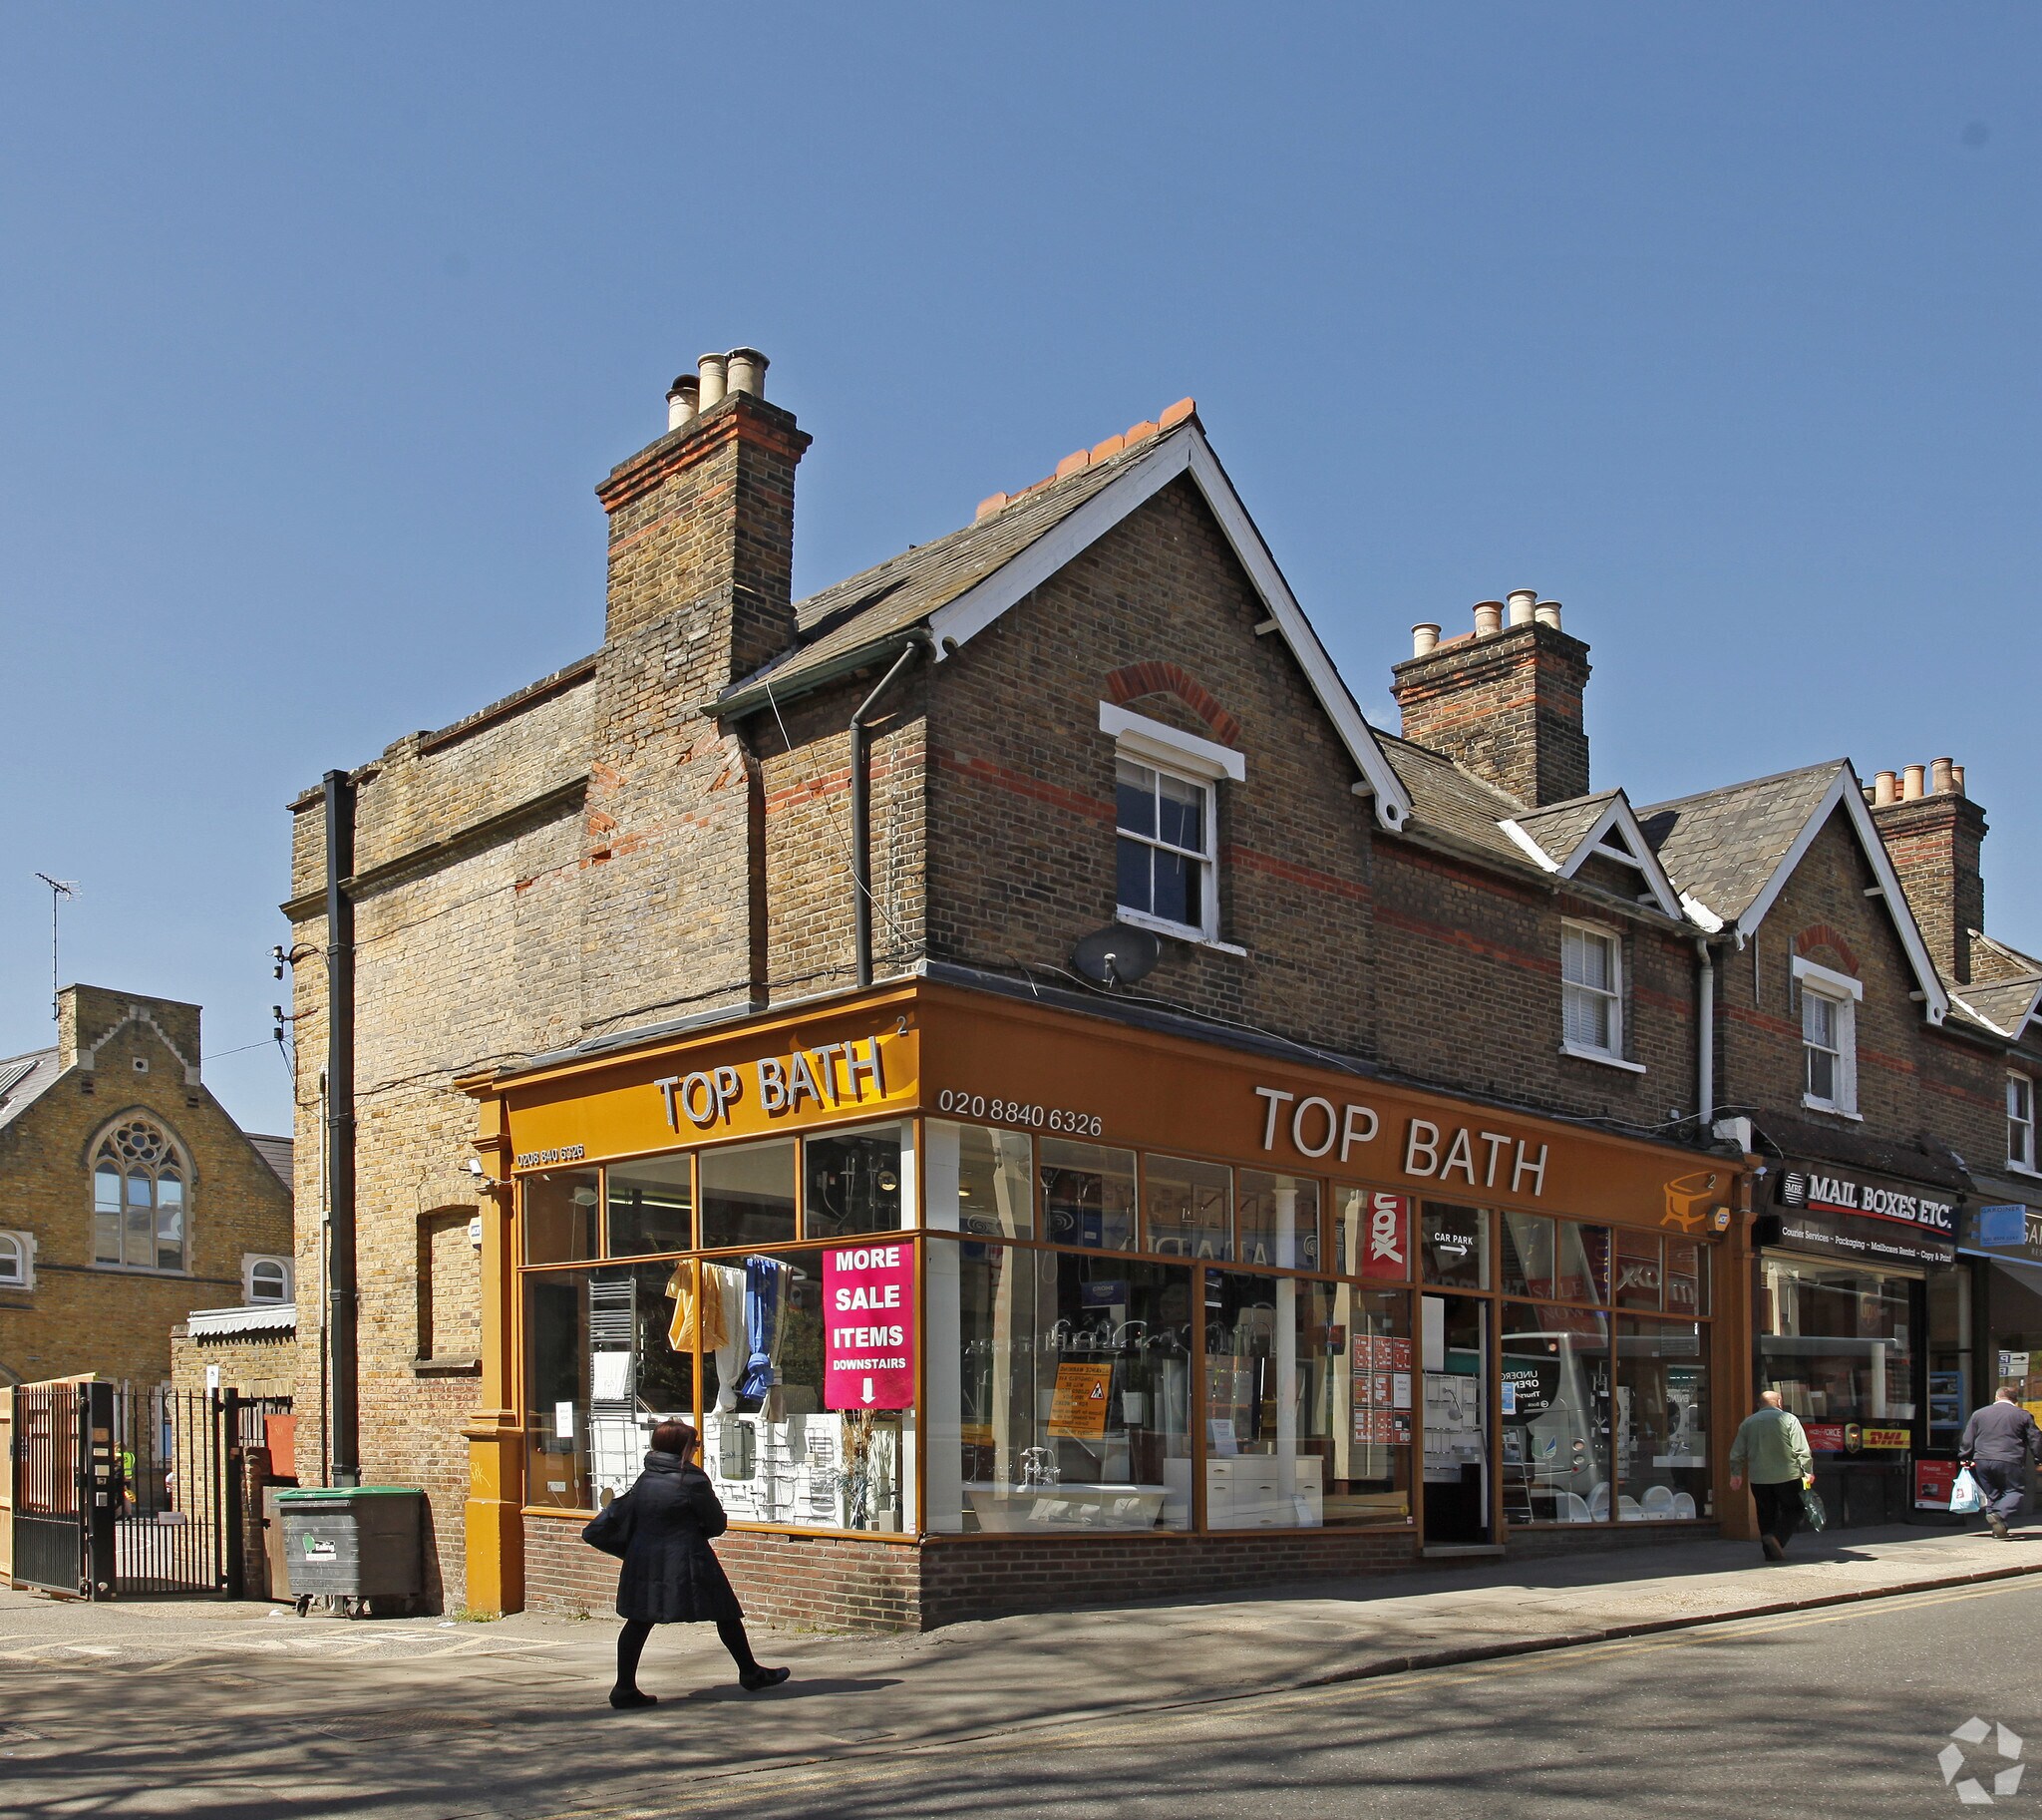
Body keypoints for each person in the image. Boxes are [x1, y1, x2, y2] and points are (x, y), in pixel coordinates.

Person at [581, 1418, 789, 1708]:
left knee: (639, 1621)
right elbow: (716, 1524)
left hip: (645, 1562)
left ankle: (624, 1687)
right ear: (684, 1447)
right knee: (725, 1613)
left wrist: (632, 1550)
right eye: (695, 1444)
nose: (696, 1449)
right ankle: (750, 1671)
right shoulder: (690, 1479)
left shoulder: (645, 1479)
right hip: (687, 1559)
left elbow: (611, 1524)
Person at [1727, 1388, 1815, 1562]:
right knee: (1795, 1509)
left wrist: (1736, 1473)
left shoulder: (1748, 1423)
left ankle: (1770, 1552)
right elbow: (1801, 1449)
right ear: (1780, 1403)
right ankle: (1777, 1538)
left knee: (1765, 1513)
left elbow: (1736, 1452)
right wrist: (1808, 1470)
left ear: (1759, 1404)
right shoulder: (1789, 1419)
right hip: (1788, 1476)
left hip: (1759, 1478)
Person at [1959, 1384, 2042, 1540]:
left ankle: (1998, 1529)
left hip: (1982, 1459)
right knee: (2015, 1491)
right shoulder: (2022, 1415)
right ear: (2015, 1400)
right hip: (2009, 1459)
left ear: (1996, 1397)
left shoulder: (1979, 1414)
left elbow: (1968, 1437)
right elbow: (2035, 1439)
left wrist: (1965, 1457)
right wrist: (2039, 1458)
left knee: (1993, 1494)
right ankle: (1999, 1515)